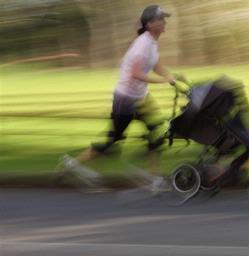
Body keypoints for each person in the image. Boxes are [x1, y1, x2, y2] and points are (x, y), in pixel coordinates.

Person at [57, 5, 179, 191]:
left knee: (156, 132)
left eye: (164, 18)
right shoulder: (143, 45)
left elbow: (155, 64)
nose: (164, 22)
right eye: (161, 19)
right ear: (150, 24)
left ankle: (154, 179)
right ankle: (71, 165)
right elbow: (136, 73)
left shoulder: (152, 42)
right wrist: (162, 81)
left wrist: (172, 77)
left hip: (141, 98)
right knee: (112, 143)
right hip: (126, 100)